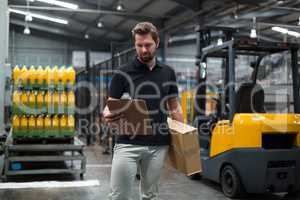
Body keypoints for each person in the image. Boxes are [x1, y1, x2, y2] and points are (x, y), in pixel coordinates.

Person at [104, 22, 184, 200]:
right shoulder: (122, 73)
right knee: (118, 196)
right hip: (127, 143)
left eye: (147, 45)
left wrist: (184, 134)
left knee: (150, 195)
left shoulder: (168, 73)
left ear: (157, 43)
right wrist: (107, 115)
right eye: (139, 45)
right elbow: (109, 105)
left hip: (158, 145)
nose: (143, 50)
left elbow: (174, 106)